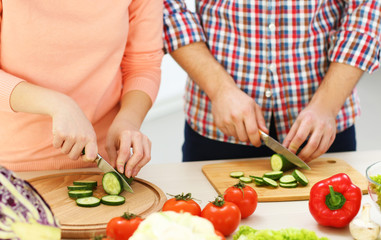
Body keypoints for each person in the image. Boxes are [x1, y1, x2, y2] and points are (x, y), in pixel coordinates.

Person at [163, 0, 381, 162]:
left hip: (323, 127)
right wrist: (219, 89)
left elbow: (367, 8)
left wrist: (327, 105)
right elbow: (164, 7)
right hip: (219, 122)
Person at [0, 1, 163, 178]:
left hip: (99, 163)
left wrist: (128, 120)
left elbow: (143, 63)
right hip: (11, 166)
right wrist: (58, 104)